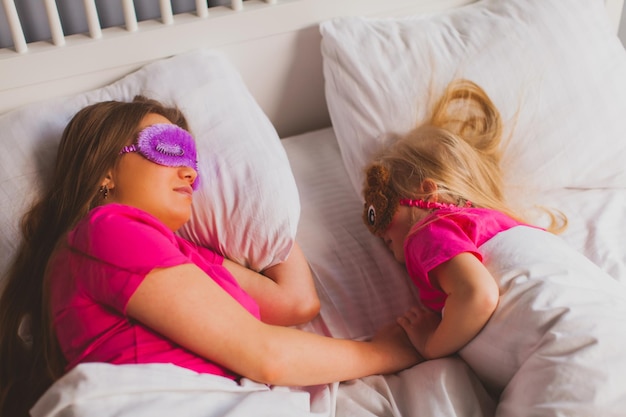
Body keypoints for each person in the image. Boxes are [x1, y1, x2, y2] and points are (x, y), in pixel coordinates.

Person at [0, 96, 420, 417]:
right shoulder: (105, 230)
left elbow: (296, 303)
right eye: (167, 148)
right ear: (105, 168)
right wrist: (391, 351)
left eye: (192, 159)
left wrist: (260, 205)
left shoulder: (187, 256)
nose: (190, 172)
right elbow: (266, 355)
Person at [361, 79, 566, 361]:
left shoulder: (427, 229)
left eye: (383, 208)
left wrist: (431, 343)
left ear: (428, 194)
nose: (377, 230)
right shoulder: (495, 221)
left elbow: (477, 296)